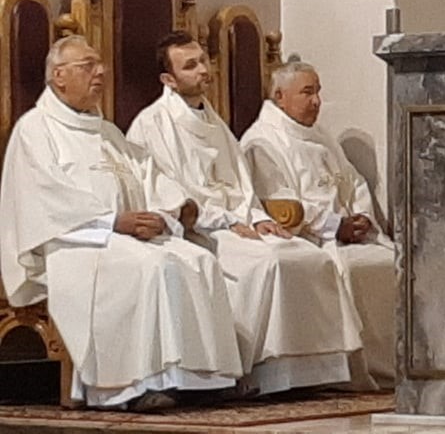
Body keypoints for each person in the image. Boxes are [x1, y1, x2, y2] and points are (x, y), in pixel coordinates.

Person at [0, 35, 243, 410]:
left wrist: (162, 216)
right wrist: (113, 222)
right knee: (153, 266)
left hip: (124, 236)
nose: (100, 72)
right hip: (71, 244)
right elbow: (44, 202)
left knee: (198, 260)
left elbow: (150, 178)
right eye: (88, 66)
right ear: (59, 76)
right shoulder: (35, 130)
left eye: (100, 64)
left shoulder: (108, 133)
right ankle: (132, 385)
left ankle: (201, 378)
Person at [127, 31, 372, 396]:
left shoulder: (214, 122)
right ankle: (252, 372)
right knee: (271, 260)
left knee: (309, 255)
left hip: (239, 222)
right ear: (169, 79)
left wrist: (257, 217)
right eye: (190, 66)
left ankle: (308, 374)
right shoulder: (152, 126)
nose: (203, 70)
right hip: (198, 231)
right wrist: (229, 220)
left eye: (203, 61)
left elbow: (241, 184)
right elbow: (171, 198)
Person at [240, 61, 396, 385]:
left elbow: (353, 182)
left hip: (345, 235)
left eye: (318, 92)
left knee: (395, 261)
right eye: (307, 92)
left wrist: (362, 219)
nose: (316, 101)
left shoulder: (321, 135)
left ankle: (400, 365)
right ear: (280, 96)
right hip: (310, 236)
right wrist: (335, 226)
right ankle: (354, 369)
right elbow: (278, 203)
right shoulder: (261, 141)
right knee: (350, 270)